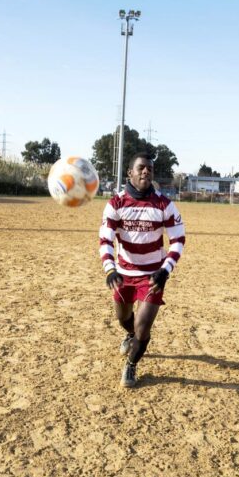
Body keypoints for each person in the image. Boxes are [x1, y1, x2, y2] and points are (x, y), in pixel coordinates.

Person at [98, 153, 186, 388]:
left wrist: (165, 270)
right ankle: (131, 335)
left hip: (152, 276)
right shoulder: (116, 203)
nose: (146, 171)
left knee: (143, 327)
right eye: (141, 168)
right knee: (123, 319)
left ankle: (132, 364)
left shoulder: (164, 204)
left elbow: (178, 240)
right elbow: (105, 239)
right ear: (130, 173)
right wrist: (110, 269)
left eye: (150, 169)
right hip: (124, 274)